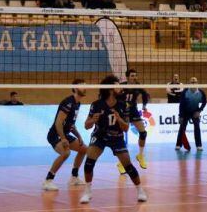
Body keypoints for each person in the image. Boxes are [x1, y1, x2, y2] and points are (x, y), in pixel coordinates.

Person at [79, 75, 147, 204]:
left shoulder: (123, 105)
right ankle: (87, 191)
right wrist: (93, 120)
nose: (120, 87)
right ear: (110, 88)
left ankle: (140, 190)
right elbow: (86, 125)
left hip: (117, 137)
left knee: (127, 164)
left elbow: (126, 128)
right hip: (100, 135)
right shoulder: (96, 105)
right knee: (89, 161)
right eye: (117, 85)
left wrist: (120, 119)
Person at [42, 80, 88, 191]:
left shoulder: (77, 103)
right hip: (55, 134)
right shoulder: (68, 102)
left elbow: (71, 124)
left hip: (65, 133)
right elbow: (58, 122)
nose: (86, 88)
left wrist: (79, 137)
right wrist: (63, 138)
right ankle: (48, 180)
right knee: (66, 152)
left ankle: (74, 177)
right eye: (83, 86)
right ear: (75, 88)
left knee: (84, 149)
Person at [119, 69, 150, 171]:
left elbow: (146, 95)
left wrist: (144, 106)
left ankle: (140, 155)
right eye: (132, 76)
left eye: (135, 76)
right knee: (121, 136)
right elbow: (113, 96)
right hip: (123, 112)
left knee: (143, 133)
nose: (134, 77)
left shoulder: (138, 86)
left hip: (133, 111)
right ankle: (121, 162)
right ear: (127, 77)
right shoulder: (121, 86)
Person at [177, 77, 207, 152]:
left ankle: (199, 145)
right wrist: (180, 116)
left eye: (195, 82)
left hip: (195, 112)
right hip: (185, 112)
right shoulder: (185, 92)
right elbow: (181, 105)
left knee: (197, 127)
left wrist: (199, 111)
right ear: (189, 83)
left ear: (197, 83)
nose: (193, 83)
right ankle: (178, 144)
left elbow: (204, 102)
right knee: (182, 128)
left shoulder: (201, 92)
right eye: (192, 82)